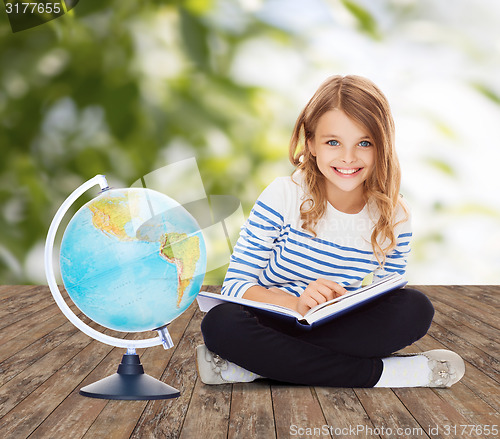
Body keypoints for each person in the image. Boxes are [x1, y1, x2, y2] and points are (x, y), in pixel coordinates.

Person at [197, 75, 465, 388]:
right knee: (221, 324)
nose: (348, 158)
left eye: (364, 143)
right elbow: (235, 286)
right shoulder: (283, 195)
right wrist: (297, 305)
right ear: (310, 144)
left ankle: (253, 369)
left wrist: (342, 302)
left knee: (415, 308)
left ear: (382, 147)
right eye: (333, 142)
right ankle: (382, 374)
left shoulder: (396, 216)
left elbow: (385, 298)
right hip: (275, 320)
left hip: (339, 327)